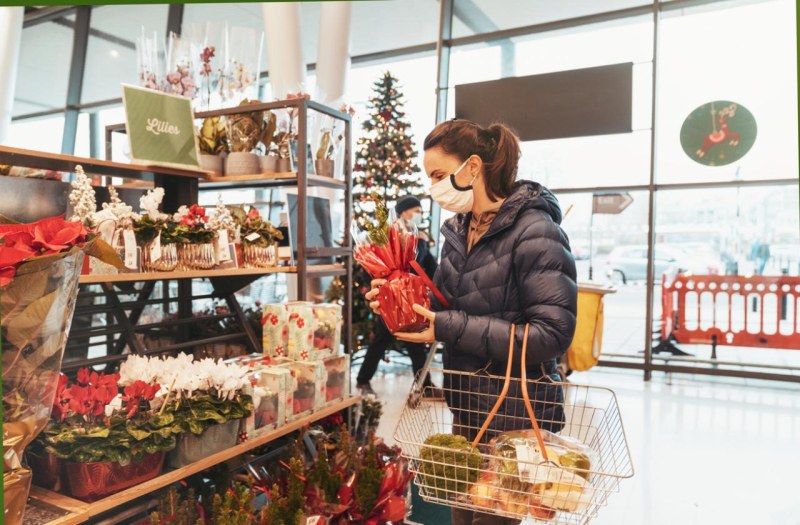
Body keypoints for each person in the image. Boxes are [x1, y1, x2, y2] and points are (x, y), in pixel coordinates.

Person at [366, 119, 578, 525]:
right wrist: (398, 301)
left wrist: (449, 326)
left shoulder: (536, 230)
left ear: (474, 168)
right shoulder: (459, 234)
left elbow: (552, 334)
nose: (433, 188)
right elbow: (448, 306)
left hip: (517, 419)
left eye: (440, 175)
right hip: (469, 410)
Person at [356, 196, 441, 397]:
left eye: (421, 211)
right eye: (416, 210)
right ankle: (362, 380)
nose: (420, 214)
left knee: (415, 344)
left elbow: (430, 268)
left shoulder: (418, 239)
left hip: (412, 302)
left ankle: (425, 384)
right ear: (403, 212)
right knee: (381, 341)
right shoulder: (387, 238)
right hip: (391, 301)